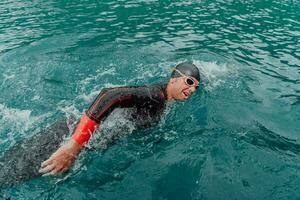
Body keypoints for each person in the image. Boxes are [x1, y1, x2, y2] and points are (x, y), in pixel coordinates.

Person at [39, 62, 200, 176]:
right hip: (67, 137)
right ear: (173, 79)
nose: (192, 89)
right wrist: (73, 147)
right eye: (189, 81)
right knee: (15, 173)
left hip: (80, 134)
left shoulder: (164, 99)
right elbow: (110, 94)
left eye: (196, 87)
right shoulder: (155, 96)